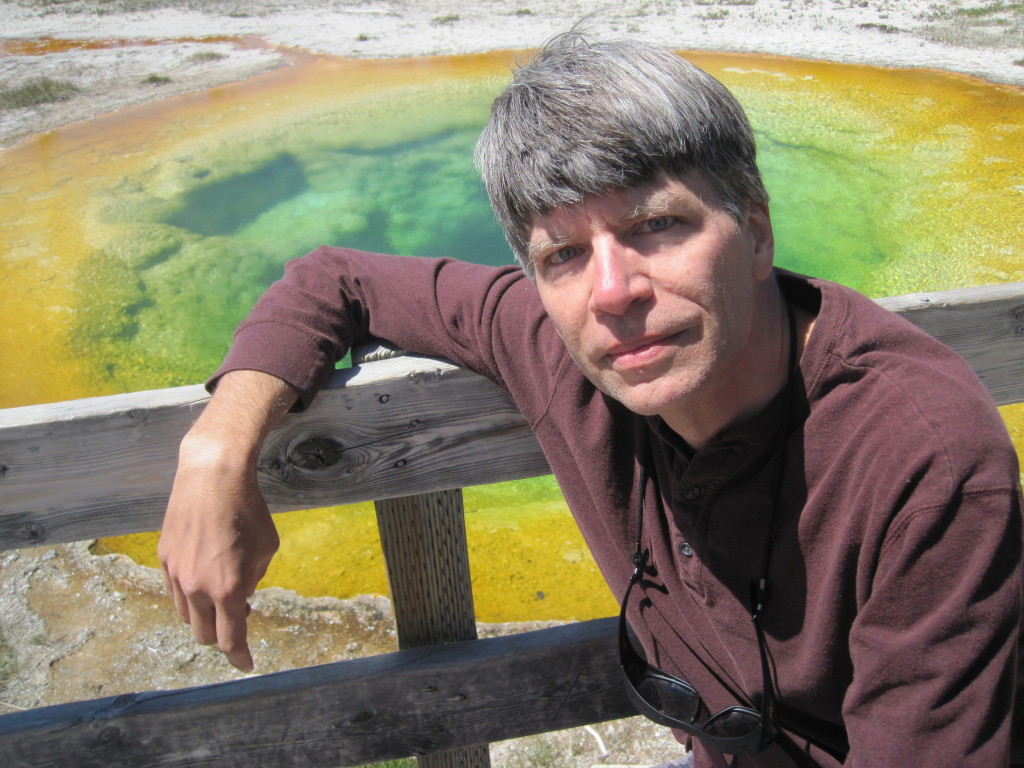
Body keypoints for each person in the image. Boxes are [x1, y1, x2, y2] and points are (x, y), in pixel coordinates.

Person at [158, 33, 1023, 768]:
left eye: (657, 225)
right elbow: (334, 278)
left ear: (755, 230)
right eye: (562, 253)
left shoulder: (921, 455)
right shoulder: (558, 342)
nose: (611, 291)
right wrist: (217, 450)